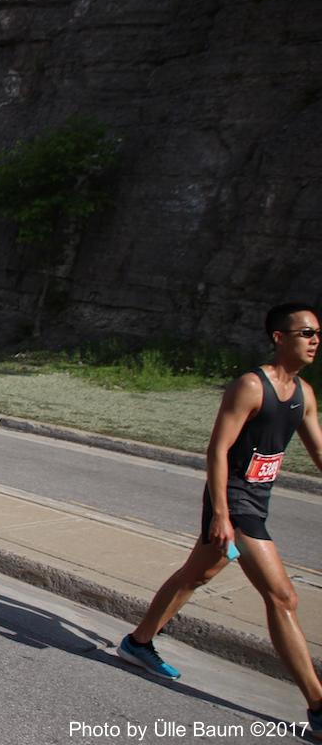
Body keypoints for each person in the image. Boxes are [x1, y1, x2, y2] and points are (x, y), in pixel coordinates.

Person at [117, 303, 322, 738]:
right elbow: (217, 451)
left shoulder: (304, 395)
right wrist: (223, 515)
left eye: (317, 333)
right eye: (305, 332)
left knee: (197, 576)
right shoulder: (250, 386)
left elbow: (320, 453)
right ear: (279, 338)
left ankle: (137, 642)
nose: (314, 340)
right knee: (283, 597)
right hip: (234, 502)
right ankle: (318, 705)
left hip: (256, 500)